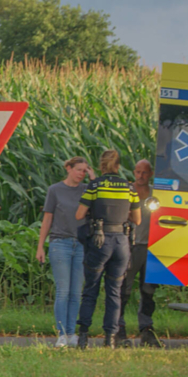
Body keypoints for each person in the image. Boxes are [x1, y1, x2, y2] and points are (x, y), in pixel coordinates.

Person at [74, 149, 141, 349]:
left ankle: (83, 337)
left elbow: (79, 215)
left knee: (91, 290)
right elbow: (137, 219)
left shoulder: (94, 186)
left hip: (99, 241)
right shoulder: (129, 188)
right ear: (118, 166)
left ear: (101, 165)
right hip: (121, 243)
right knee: (114, 292)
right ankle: (110, 339)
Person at [36, 156, 94, 347]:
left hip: (81, 245)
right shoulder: (55, 190)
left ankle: (72, 333)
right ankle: (61, 333)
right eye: (78, 169)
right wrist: (40, 246)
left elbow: (100, 200)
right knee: (63, 290)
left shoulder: (87, 189)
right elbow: (47, 219)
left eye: (85, 170)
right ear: (68, 168)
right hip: (60, 243)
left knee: (76, 292)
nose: (81, 174)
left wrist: (93, 180)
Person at [117, 159, 163, 347]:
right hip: (130, 245)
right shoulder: (128, 191)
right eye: (137, 172)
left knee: (148, 290)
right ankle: (119, 328)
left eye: (144, 173)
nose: (140, 176)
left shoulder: (156, 194)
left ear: (150, 174)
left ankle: (146, 329)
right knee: (124, 289)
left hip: (151, 247)